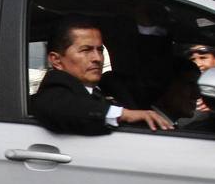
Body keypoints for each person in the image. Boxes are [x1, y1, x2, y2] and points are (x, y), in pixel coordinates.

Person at [30, 17, 173, 135]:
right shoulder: (54, 90)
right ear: (56, 60)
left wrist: (149, 28)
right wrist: (124, 114)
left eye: (100, 50)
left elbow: (152, 83)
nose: (97, 58)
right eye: (86, 50)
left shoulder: (110, 87)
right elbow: (61, 108)